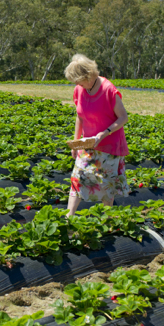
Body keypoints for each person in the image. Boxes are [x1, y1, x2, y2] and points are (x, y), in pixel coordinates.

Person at [63, 54, 130, 216]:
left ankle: (106, 218)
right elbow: (80, 116)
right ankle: (68, 216)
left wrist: (104, 133)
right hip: (88, 143)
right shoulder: (79, 90)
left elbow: (123, 117)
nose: (76, 84)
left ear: (88, 75)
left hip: (109, 144)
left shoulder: (108, 89)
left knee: (106, 183)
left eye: (78, 80)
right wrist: (76, 141)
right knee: (77, 177)